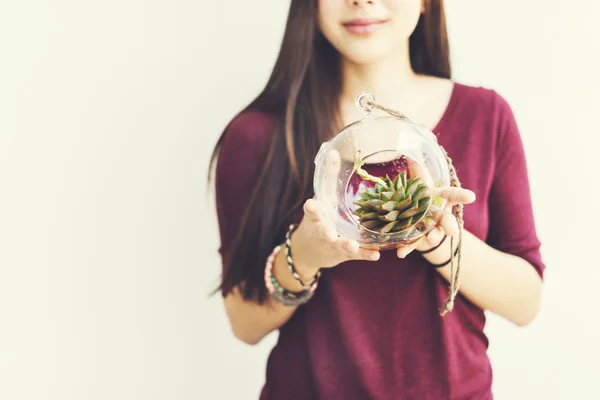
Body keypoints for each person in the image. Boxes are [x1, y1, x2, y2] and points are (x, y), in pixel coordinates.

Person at [209, 1, 545, 399]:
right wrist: (306, 252)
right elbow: (245, 323)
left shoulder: (486, 116)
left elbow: (526, 302)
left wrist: (439, 240)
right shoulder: (257, 135)